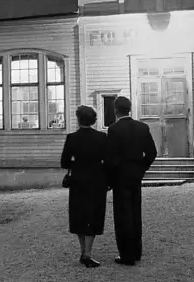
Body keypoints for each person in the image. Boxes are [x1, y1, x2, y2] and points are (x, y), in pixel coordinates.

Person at [106, 94, 157, 265]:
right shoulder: (142, 127)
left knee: (122, 216)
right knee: (135, 213)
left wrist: (110, 178)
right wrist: (141, 168)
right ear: (130, 109)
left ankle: (126, 255)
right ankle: (136, 251)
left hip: (120, 176)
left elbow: (110, 158)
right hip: (136, 175)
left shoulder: (113, 130)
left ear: (116, 110)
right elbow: (151, 153)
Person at [60, 105, 110, 267]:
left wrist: (75, 161)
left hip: (78, 181)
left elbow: (64, 162)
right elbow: (107, 161)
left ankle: (83, 251)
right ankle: (87, 253)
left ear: (78, 119)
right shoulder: (102, 137)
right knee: (93, 215)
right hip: (97, 180)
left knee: (79, 214)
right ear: (94, 120)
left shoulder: (72, 138)